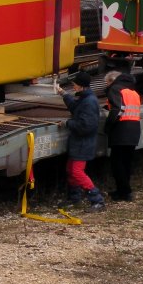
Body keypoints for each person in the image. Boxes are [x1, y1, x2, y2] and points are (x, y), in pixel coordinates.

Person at [56, 70, 105, 211]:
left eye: (75, 84)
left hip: (83, 144)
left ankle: (97, 200)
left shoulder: (89, 102)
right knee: (71, 170)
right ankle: (74, 198)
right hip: (78, 143)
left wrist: (67, 123)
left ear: (81, 86)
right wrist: (64, 94)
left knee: (77, 172)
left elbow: (85, 126)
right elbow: (75, 108)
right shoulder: (85, 98)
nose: (73, 86)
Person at [103, 69, 142, 201]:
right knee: (126, 162)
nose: (106, 86)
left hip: (121, 130)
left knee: (117, 162)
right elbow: (127, 106)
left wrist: (108, 125)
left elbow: (118, 109)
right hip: (134, 128)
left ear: (111, 81)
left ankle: (124, 192)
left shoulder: (115, 89)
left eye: (106, 83)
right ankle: (125, 190)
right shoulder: (133, 91)